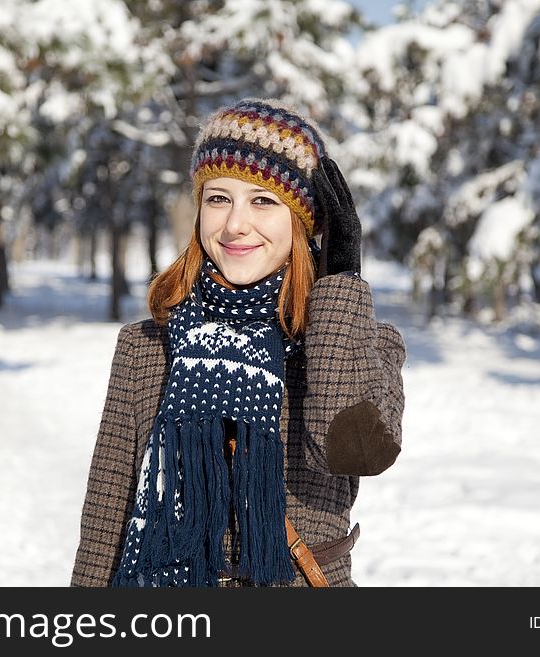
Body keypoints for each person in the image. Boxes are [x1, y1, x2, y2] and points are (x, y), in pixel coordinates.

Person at [70, 98, 406, 587]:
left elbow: (354, 451)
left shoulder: (359, 343)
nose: (233, 225)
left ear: (303, 221)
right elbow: (105, 521)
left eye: (263, 201)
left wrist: (341, 280)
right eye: (218, 198)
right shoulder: (145, 348)